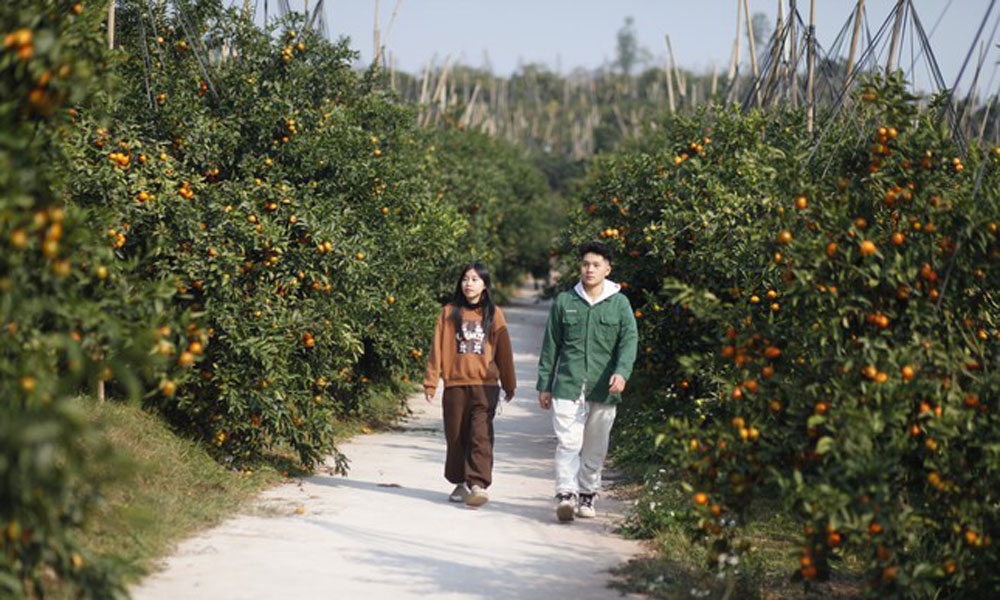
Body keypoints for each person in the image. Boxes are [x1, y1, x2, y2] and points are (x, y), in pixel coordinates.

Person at [536, 241, 638, 522]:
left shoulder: (620, 303)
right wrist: (544, 384)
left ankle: (587, 494)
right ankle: (566, 493)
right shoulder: (565, 302)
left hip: (604, 387)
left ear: (607, 269)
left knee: (596, 444)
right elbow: (551, 346)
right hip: (568, 385)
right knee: (568, 442)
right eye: (585, 264)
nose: (589, 269)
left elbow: (629, 342)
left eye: (596, 264)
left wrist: (622, 372)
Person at [424, 262, 516, 507]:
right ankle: (460, 481)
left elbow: (504, 351)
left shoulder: (494, 314)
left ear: (484, 285)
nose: (469, 284)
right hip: (455, 385)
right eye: (465, 279)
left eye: (475, 279)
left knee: (480, 435)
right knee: (455, 436)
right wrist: (431, 381)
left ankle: (478, 484)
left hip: (485, 385)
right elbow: (436, 349)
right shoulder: (448, 312)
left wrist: (509, 383)